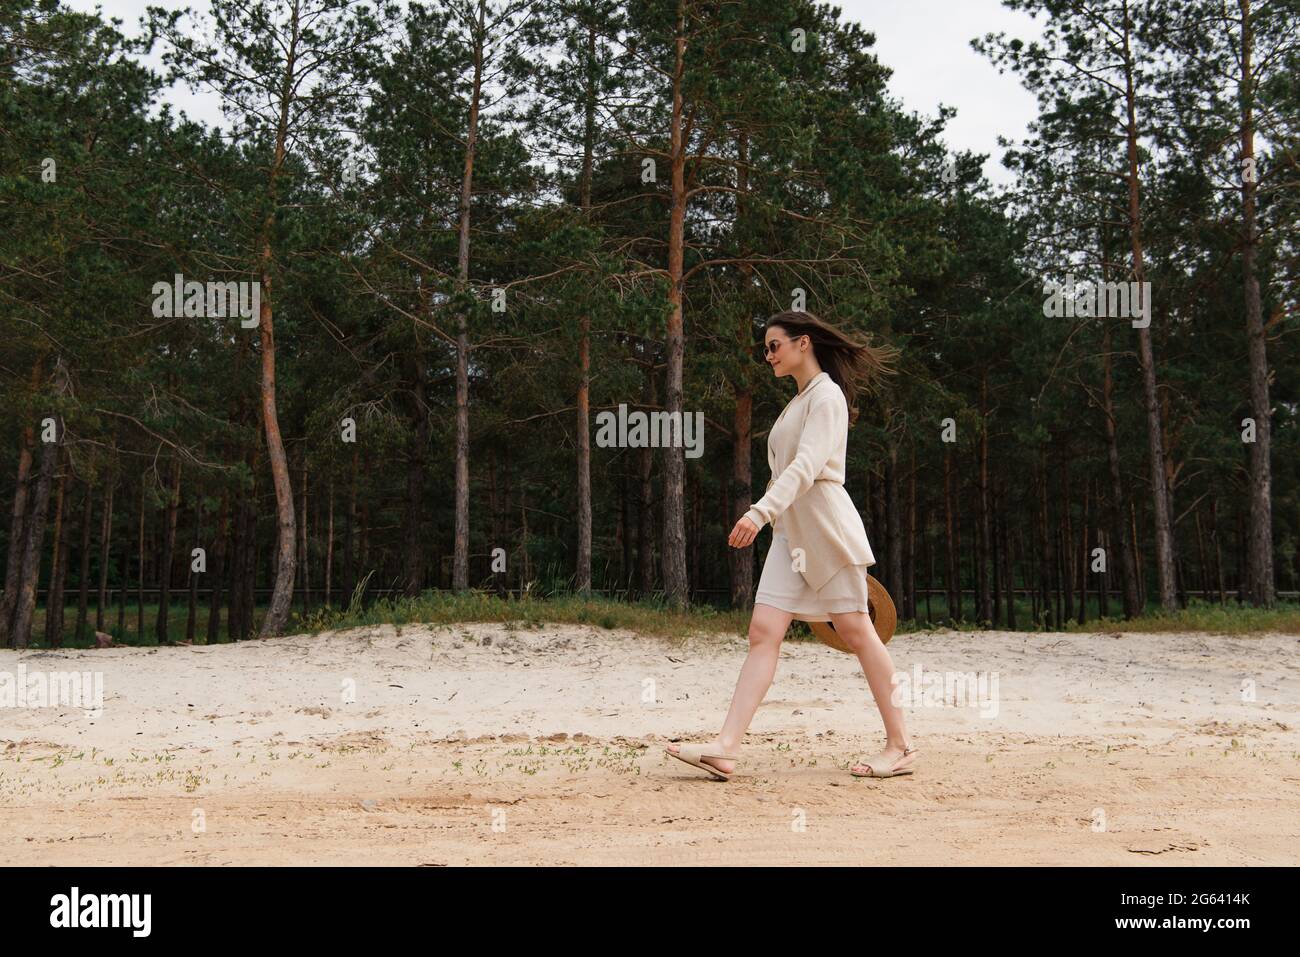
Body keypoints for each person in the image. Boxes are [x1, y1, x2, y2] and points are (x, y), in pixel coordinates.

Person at [666, 310, 916, 781]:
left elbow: (804, 469)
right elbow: (787, 470)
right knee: (763, 631)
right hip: (791, 533)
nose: (768, 355)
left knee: (858, 632)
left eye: (774, 345)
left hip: (824, 528)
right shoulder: (798, 401)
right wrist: (773, 514)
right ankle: (725, 747)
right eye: (765, 348)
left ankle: (900, 746)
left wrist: (759, 511)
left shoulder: (827, 397)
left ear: (803, 343)